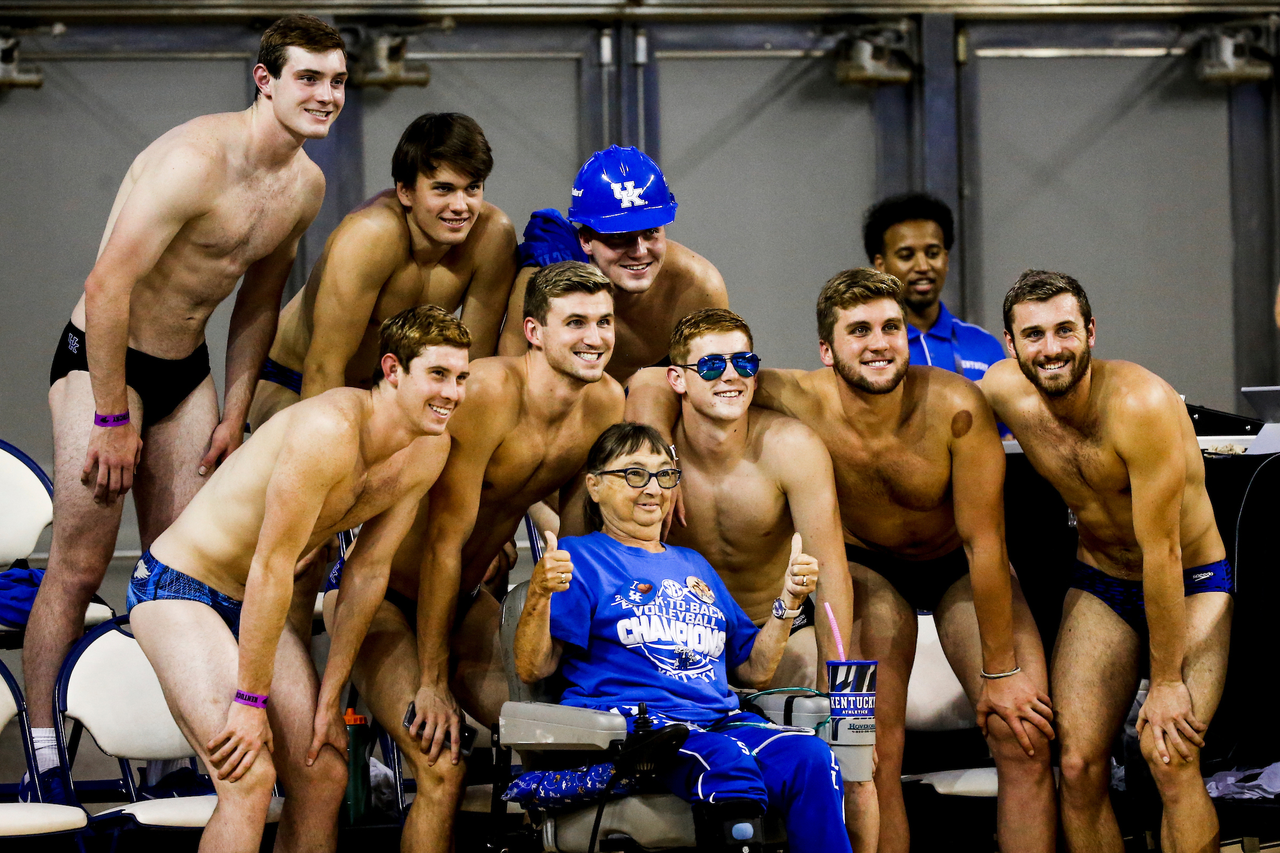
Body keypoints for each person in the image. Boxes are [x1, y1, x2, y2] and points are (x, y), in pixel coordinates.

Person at [26, 14, 347, 803]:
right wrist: (109, 416)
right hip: (103, 360)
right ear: (265, 80)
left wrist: (234, 410)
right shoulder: (192, 161)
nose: (327, 95)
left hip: (187, 370)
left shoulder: (304, 186)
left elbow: (257, 307)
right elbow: (107, 288)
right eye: (309, 77)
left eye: (338, 81)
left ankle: (187, 742)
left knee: (189, 572)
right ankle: (40, 747)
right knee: (81, 563)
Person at [627, 269, 1057, 853]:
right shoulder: (796, 395)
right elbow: (655, 378)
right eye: (859, 331)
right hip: (867, 569)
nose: (878, 343)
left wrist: (1002, 674)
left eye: (890, 327)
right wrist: (657, 455)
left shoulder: (956, 405)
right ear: (827, 351)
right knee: (868, 742)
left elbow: (985, 546)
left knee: (1023, 734)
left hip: (957, 564)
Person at [126, 305, 470, 853]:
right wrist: (249, 700)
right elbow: (270, 567)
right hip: (180, 588)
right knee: (247, 777)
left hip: (253, 601)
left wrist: (330, 696)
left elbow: (367, 571)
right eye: (438, 374)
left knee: (323, 771)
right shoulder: (327, 429)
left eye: (461, 378)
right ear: (393, 370)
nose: (452, 393)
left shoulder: (429, 450)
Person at [323, 260, 625, 853]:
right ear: (534, 332)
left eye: (605, 321)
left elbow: (577, 538)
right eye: (576, 322)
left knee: (562, 739)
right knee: (442, 767)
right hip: (382, 598)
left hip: (464, 601)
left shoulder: (605, 403)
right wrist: (433, 680)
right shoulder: (484, 393)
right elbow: (442, 545)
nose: (595, 337)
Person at [513, 422, 851, 853]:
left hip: (720, 721)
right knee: (724, 763)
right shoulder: (581, 557)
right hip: (641, 731)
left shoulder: (694, 565)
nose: (653, 487)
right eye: (634, 474)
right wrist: (540, 592)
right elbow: (533, 666)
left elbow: (756, 669)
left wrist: (788, 600)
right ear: (594, 486)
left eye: (663, 474)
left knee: (813, 759)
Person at [983, 270, 1232, 853]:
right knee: (1075, 765)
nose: (1051, 348)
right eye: (1035, 334)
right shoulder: (1001, 390)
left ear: (1091, 332)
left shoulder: (1139, 404)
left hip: (1190, 580)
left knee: (1169, 753)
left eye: (1065, 330)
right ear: (1010, 343)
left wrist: (1166, 680)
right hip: (1102, 581)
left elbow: (1164, 553)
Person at [249, 111, 517, 430]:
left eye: (472, 188)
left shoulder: (491, 237)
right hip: (296, 381)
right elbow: (324, 367)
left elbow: (472, 367)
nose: (461, 206)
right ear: (405, 191)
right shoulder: (370, 236)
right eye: (443, 189)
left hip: (393, 395)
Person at [636, 308, 853, 690]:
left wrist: (832, 692)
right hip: (680, 630)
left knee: (811, 707)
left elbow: (832, 575)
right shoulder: (652, 462)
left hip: (780, 623)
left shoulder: (792, 448)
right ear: (677, 379)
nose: (731, 375)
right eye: (710, 365)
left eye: (743, 362)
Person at [497, 145, 727, 383]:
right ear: (585, 240)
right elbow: (509, 379)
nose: (639, 251)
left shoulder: (699, 288)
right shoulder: (545, 276)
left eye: (651, 232)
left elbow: (722, 385)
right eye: (618, 236)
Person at [864, 193, 1005, 381]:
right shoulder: (868, 348)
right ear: (880, 265)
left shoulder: (984, 344)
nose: (923, 266)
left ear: (945, 259)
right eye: (906, 255)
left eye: (932, 253)